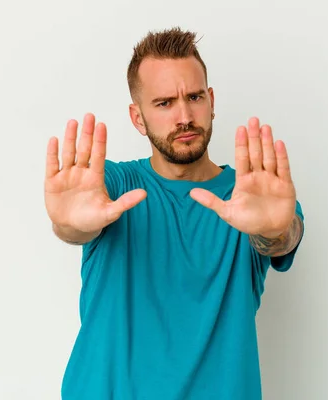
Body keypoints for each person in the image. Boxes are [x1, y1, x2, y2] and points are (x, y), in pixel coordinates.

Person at [44, 27, 305, 400]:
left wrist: (275, 232)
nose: (184, 116)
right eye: (164, 103)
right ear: (138, 118)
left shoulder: (253, 194)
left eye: (194, 97)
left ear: (211, 101)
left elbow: (281, 237)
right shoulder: (112, 185)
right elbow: (75, 226)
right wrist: (68, 224)